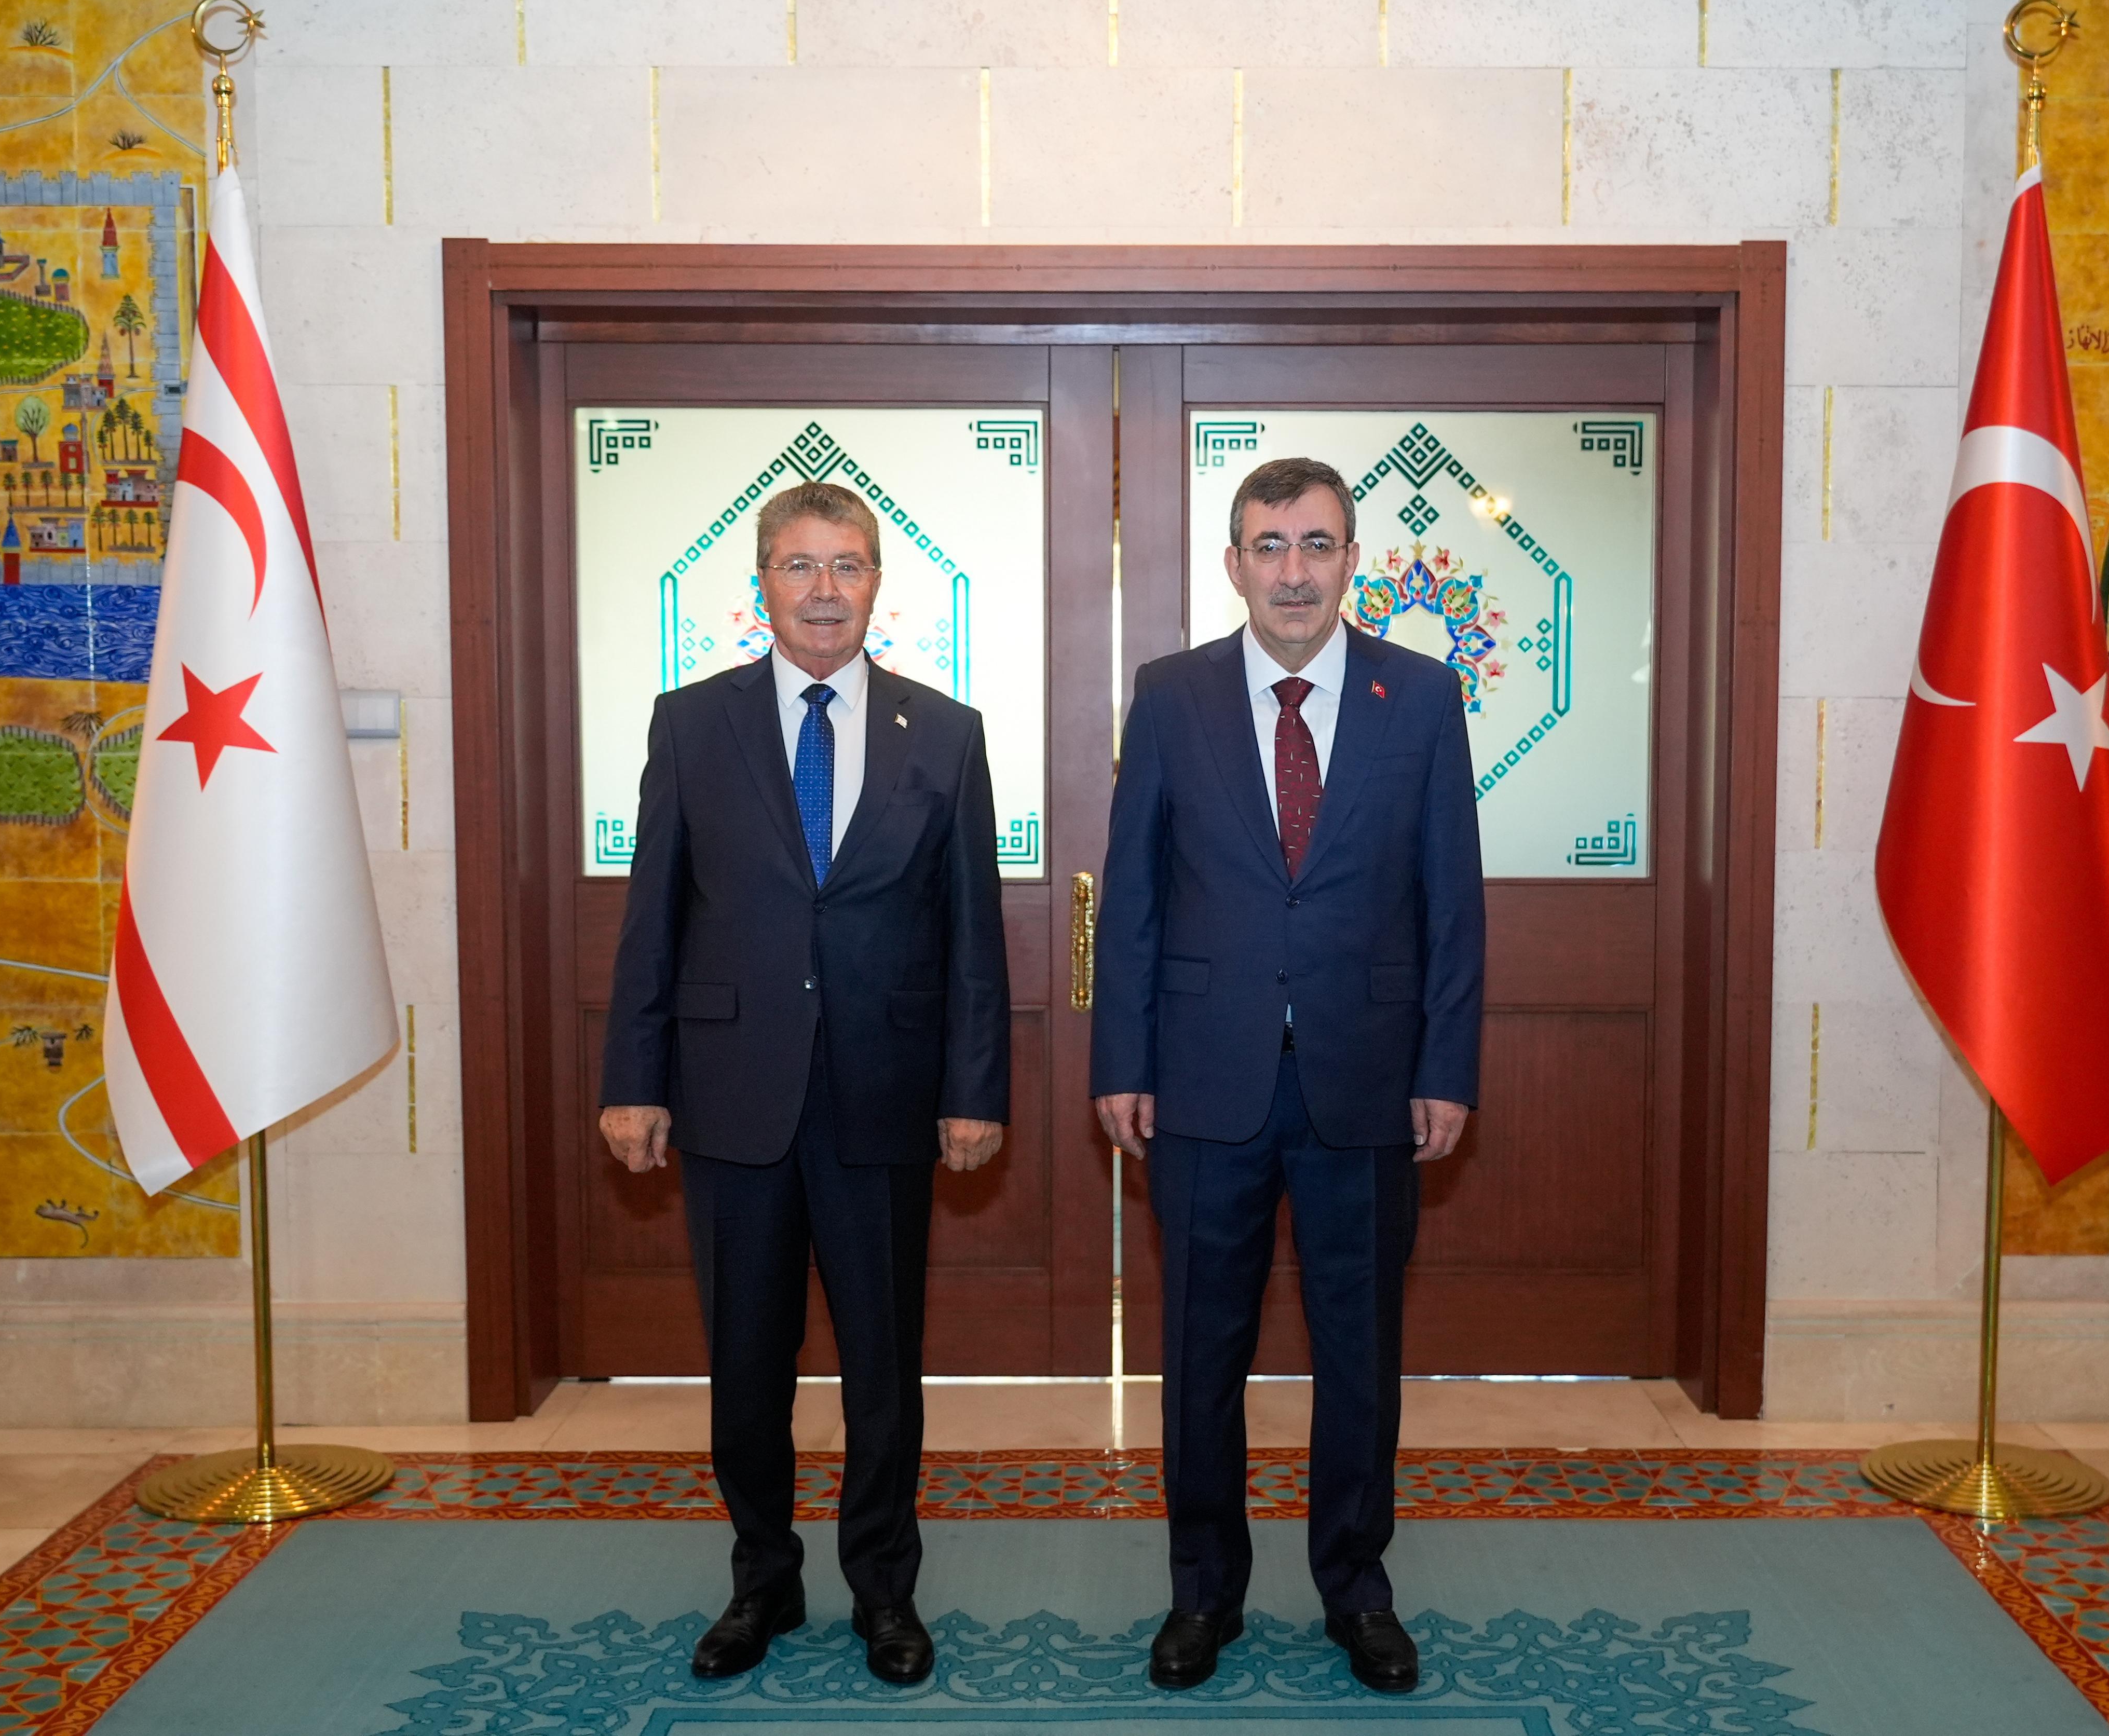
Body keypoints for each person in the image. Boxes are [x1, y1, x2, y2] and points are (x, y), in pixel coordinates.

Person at [598, 481, 1010, 1687]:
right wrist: (633, 1079)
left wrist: (974, 1087)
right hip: (732, 1094)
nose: (824, 590)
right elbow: (653, 917)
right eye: (799, 566)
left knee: (882, 1367)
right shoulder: (692, 724)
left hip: (885, 1094)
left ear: (877, 583)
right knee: (745, 1363)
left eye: (847, 566)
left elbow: (973, 933)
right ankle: (761, 1582)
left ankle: (886, 1591)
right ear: (762, 583)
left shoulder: (945, 731)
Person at [1092, 456, 1485, 1693]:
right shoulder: (1171, 695)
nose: (1294, 571)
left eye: (1317, 545)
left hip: (1367, 1082)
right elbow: (1134, 894)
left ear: (1352, 560)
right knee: (1200, 1353)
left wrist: (1446, 1064)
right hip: (1201, 1081)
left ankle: (1357, 1592)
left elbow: (1452, 901)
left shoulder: (1421, 696)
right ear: (1234, 564)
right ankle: (1202, 1594)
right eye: (1270, 545)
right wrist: (1121, 1058)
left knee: (1358, 1354)